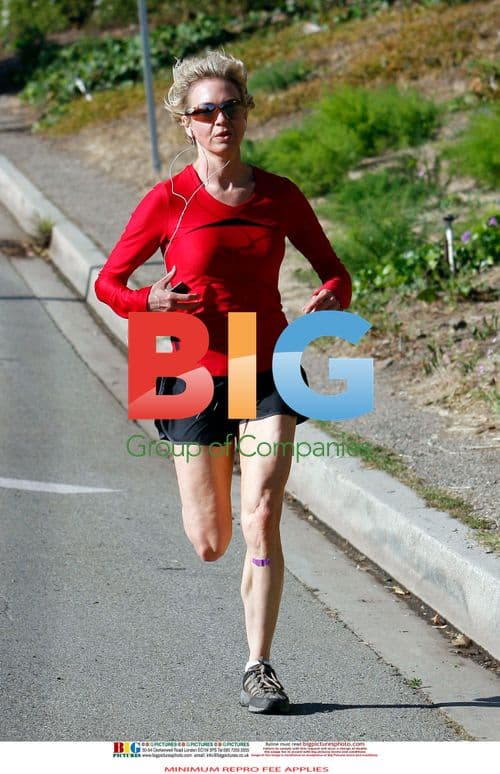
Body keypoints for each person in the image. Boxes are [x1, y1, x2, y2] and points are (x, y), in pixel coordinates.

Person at [94, 50, 351, 715]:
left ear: (245, 114)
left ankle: (258, 664)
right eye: (206, 111)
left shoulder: (279, 196)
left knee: (262, 514)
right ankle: (220, 468)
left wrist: (329, 294)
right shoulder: (167, 200)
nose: (220, 121)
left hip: (259, 359)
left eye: (230, 108)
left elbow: (334, 270)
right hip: (180, 362)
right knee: (211, 542)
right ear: (186, 122)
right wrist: (144, 303)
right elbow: (108, 283)